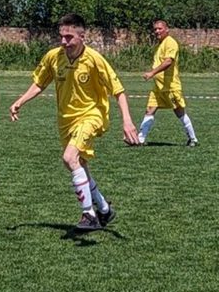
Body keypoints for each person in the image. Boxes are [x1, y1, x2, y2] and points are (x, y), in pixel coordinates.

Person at [9, 13, 139, 231]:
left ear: (82, 36)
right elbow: (40, 83)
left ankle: (89, 215)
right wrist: (20, 101)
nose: (63, 41)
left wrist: (127, 121)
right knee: (79, 165)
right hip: (66, 121)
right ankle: (105, 209)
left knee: (69, 157)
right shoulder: (54, 56)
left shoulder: (95, 59)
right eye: (61, 36)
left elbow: (119, 91)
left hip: (92, 116)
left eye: (69, 37)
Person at [138, 20, 198, 146]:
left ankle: (193, 139)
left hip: (170, 86)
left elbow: (168, 62)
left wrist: (152, 73)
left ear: (167, 29)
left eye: (159, 29)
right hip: (158, 87)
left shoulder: (170, 42)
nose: (157, 31)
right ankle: (140, 139)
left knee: (179, 112)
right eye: (155, 29)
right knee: (149, 110)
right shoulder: (161, 44)